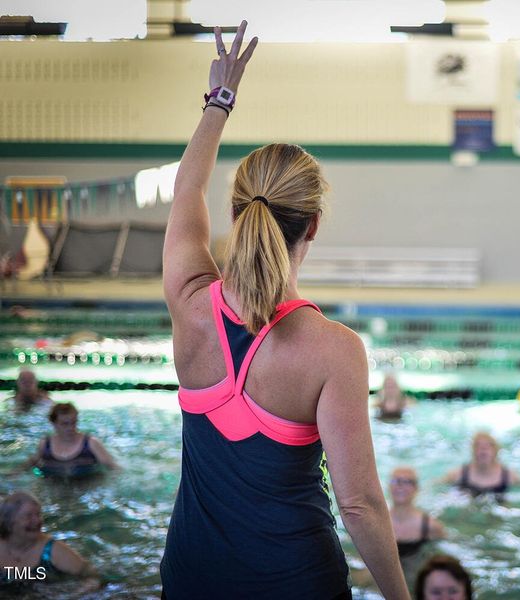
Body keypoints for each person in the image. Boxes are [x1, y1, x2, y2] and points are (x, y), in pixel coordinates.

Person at [159, 22, 408, 599]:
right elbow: (360, 505)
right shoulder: (334, 350)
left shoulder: (191, 302)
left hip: (191, 579)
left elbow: (186, 192)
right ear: (314, 225)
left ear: (239, 209)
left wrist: (220, 100)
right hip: (297, 583)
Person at [0, 491, 100, 592]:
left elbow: (90, 574)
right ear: (9, 522)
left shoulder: (53, 550)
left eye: (38, 514)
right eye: (28, 516)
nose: (37, 521)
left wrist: (83, 590)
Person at [22, 402, 119, 477]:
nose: (70, 428)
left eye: (73, 423)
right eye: (65, 424)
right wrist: (15, 472)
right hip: (55, 485)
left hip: (88, 485)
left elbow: (113, 467)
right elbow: (32, 462)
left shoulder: (91, 443)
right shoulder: (45, 444)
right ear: (54, 423)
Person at [443, 432, 520, 500]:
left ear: (496, 451)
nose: (483, 449)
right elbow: (435, 486)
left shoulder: (510, 476)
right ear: (473, 450)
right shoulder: (458, 474)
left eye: (488, 446)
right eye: (478, 446)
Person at [389, 467, 445, 560]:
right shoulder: (376, 523)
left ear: (416, 488)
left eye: (407, 482)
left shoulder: (431, 527)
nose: (401, 486)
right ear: (389, 487)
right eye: (396, 481)